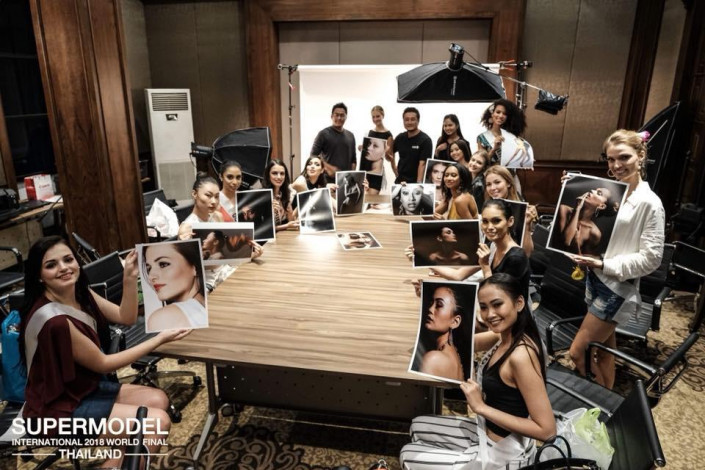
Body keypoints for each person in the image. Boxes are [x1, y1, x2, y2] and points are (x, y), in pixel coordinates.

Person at [19, 236, 190, 469]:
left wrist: (129, 278)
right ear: (39, 276)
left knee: (158, 399)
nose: (64, 268)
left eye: (68, 259)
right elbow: (104, 363)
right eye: (51, 265)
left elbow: (125, 317)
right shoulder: (54, 321)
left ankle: (113, 464)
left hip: (81, 389)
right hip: (57, 410)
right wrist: (159, 339)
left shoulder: (81, 293)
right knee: (157, 423)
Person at [400, 273, 555, 469]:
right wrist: (427, 301)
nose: (490, 314)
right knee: (417, 425)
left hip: (504, 454)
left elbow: (547, 431)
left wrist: (481, 407)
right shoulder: (504, 335)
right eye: (483, 307)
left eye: (497, 304)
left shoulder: (521, 356)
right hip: (484, 430)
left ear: (519, 303)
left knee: (407, 454)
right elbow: (461, 343)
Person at [568, 130, 665, 389]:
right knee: (602, 351)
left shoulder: (650, 203)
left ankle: (599, 402)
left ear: (641, 155)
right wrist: (573, 185)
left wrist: (605, 264)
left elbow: (652, 259)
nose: (616, 165)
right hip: (595, 277)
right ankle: (606, 397)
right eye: (611, 159)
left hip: (615, 287)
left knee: (577, 352)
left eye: (624, 157)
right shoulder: (613, 193)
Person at [430, 199, 531, 302]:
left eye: (496, 221)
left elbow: (498, 298)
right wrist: (424, 261)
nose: (489, 227)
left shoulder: (516, 257)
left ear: (510, 221)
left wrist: (485, 266)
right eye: (485, 221)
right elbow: (458, 275)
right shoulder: (491, 246)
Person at [178, 173, 262, 290]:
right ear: (194, 194)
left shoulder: (217, 216)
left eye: (217, 196)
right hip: (207, 281)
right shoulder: (186, 228)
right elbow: (187, 268)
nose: (213, 201)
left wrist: (250, 254)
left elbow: (226, 254)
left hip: (226, 270)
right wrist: (183, 248)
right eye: (208, 195)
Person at [142, 241, 208, 331]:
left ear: (194, 267)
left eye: (163, 264)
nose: (151, 276)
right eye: (149, 269)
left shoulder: (164, 317)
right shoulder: (205, 305)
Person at [415, 285, 466, 381]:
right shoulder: (456, 359)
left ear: (455, 322)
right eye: (431, 303)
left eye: (439, 305)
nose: (430, 309)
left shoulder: (433, 359)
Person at [485, 165, 537, 256]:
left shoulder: (522, 211)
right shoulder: (487, 207)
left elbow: (527, 253)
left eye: (497, 182)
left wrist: (526, 224)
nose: (492, 188)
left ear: (508, 183)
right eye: (488, 184)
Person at [554, 187, 619, 256]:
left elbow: (583, 260)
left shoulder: (594, 233)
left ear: (602, 206)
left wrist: (576, 243)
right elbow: (566, 242)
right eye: (595, 190)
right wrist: (577, 209)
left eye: (599, 193)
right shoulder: (564, 209)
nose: (592, 191)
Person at [310, 102, 356, 182]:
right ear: (332, 116)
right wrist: (328, 167)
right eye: (336, 115)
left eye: (342, 115)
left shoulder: (351, 135)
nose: (339, 118)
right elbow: (313, 156)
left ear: (346, 117)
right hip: (327, 180)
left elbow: (353, 159)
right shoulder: (323, 134)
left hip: (346, 181)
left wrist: (352, 174)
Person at [477, 99, 527, 166]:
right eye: (498, 112)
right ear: (492, 114)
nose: (501, 116)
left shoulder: (513, 137)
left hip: (509, 172)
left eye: (505, 114)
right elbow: (480, 162)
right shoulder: (482, 137)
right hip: (491, 171)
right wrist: (494, 149)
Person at [392, 107, 433, 184]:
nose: (409, 122)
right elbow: (390, 152)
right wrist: (393, 166)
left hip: (415, 183)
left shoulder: (425, 140)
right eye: (406, 120)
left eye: (413, 119)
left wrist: (418, 184)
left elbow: (422, 164)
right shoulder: (400, 137)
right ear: (403, 121)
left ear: (418, 121)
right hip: (400, 181)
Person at [361, 105, 396, 193]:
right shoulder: (369, 132)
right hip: (366, 170)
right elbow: (366, 151)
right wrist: (361, 148)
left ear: (383, 115)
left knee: (372, 197)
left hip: (377, 172)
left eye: (378, 116)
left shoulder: (388, 135)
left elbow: (389, 159)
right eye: (373, 117)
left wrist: (387, 153)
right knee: (365, 198)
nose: (375, 119)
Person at [262, 159, 299, 231]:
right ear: (268, 175)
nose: (279, 177)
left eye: (282, 173)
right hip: (267, 238)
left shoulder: (285, 195)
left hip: (283, 236)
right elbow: (262, 229)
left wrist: (292, 213)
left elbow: (291, 223)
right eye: (274, 173)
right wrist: (286, 226)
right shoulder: (262, 196)